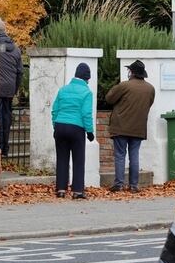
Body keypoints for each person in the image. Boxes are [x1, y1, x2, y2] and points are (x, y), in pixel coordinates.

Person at [105, 60, 156, 193]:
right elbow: (148, 104)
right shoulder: (150, 89)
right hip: (138, 127)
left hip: (121, 126)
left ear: (131, 72)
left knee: (120, 155)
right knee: (134, 155)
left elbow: (109, 99)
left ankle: (119, 184)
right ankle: (134, 185)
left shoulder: (124, 86)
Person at [51, 63, 96, 199]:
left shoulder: (63, 90)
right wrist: (90, 131)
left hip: (60, 125)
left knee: (62, 158)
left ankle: (61, 189)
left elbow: (54, 110)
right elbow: (86, 114)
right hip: (76, 127)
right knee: (78, 159)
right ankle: (77, 191)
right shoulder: (87, 92)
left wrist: (55, 126)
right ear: (87, 78)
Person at [0, 19, 23, 157]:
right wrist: (14, 89)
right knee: (6, 118)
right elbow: (20, 72)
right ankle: (5, 148)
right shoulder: (16, 49)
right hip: (9, 87)